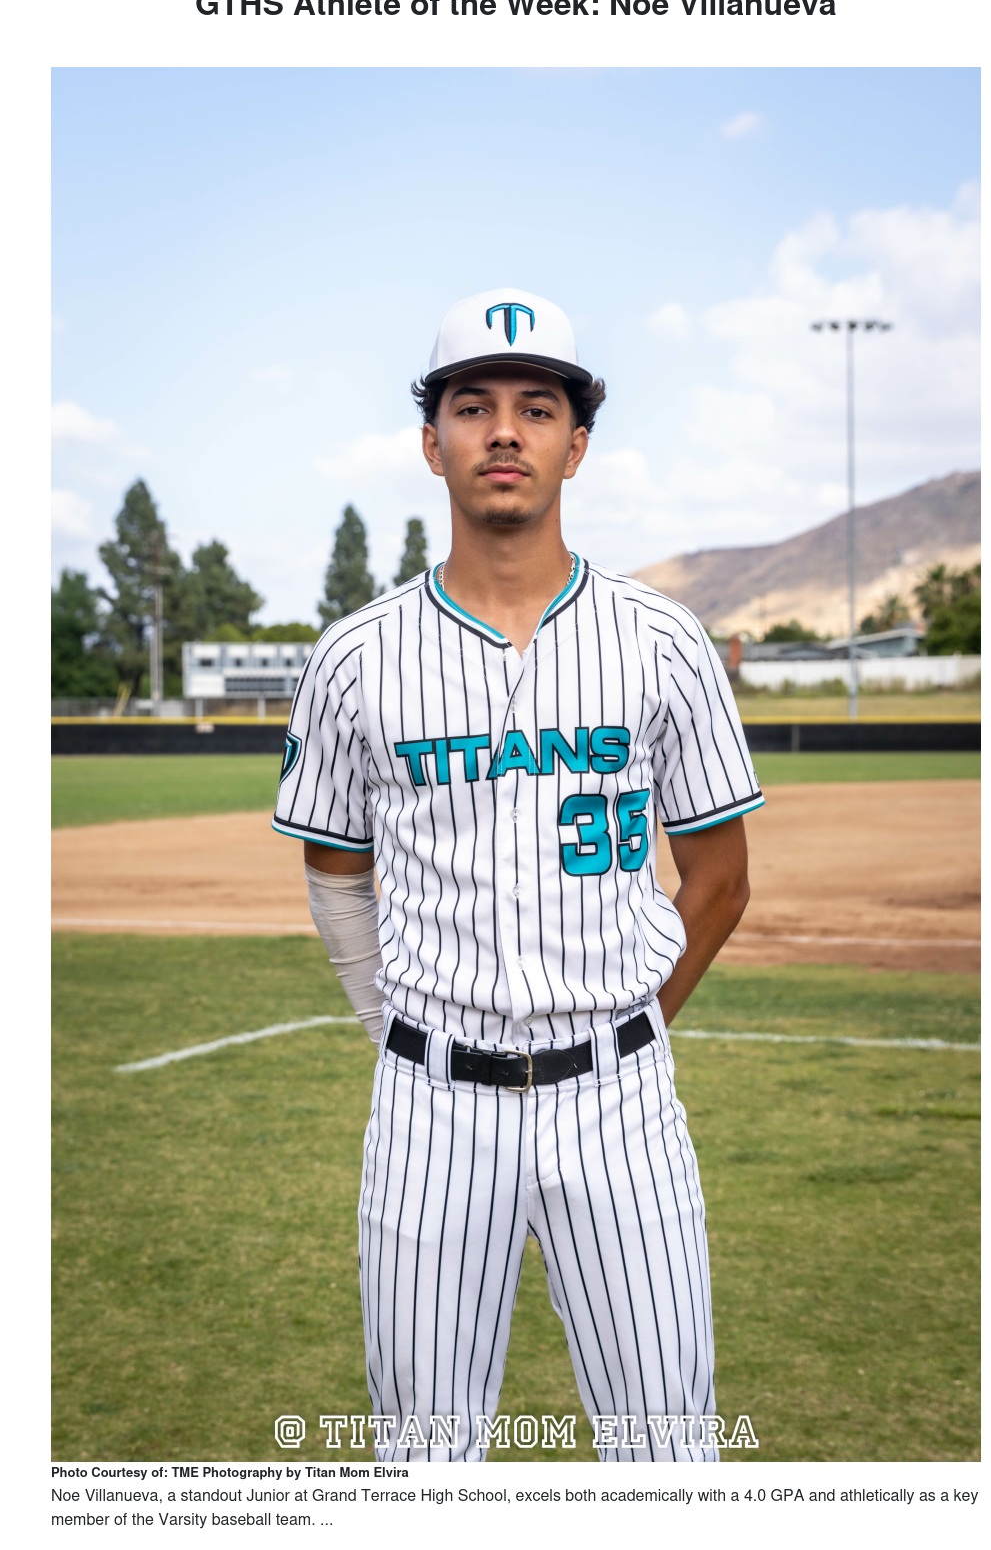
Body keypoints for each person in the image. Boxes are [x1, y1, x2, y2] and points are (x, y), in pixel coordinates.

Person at [273, 287, 764, 1463]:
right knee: (424, 1461)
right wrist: (397, 1032)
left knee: (668, 1452)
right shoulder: (355, 656)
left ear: (575, 444)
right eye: (473, 405)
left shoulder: (663, 640)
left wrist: (632, 1026)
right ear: (431, 440)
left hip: (621, 1102)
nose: (504, 430)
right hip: (430, 1110)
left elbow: (720, 878)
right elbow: (337, 874)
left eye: (537, 408)